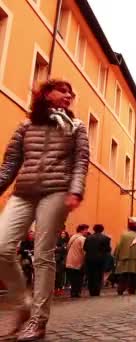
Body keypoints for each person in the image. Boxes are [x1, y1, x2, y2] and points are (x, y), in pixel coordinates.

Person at [0, 79, 89, 341]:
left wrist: (76, 190)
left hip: (57, 191)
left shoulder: (76, 127)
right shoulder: (26, 126)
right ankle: (22, 305)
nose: (68, 95)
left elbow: (81, 161)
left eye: (71, 93)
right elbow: (9, 165)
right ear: (46, 94)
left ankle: (38, 320)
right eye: (63, 90)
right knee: (2, 247)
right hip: (24, 192)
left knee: (43, 254)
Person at [113, 222, 136, 295]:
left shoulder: (124, 235)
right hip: (134, 259)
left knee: (123, 275)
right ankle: (132, 290)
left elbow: (119, 246)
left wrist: (116, 256)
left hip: (124, 258)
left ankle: (120, 290)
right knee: (133, 275)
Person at [83, 224, 111, 296]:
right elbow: (108, 249)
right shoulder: (106, 238)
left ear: (94, 229)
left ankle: (91, 290)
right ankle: (97, 291)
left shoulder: (88, 238)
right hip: (100, 259)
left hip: (89, 259)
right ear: (102, 230)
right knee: (98, 275)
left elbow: (85, 248)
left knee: (90, 275)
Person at [65, 224, 88, 298]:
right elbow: (84, 250)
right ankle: (77, 293)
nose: (87, 231)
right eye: (86, 230)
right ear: (81, 230)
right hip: (78, 261)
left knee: (73, 279)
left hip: (69, 261)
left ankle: (73, 292)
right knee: (78, 278)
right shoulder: (82, 239)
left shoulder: (73, 237)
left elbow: (68, 247)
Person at [54, 229, 69, 296]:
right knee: (57, 275)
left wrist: (59, 248)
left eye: (64, 233)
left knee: (62, 275)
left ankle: (61, 288)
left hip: (64, 260)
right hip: (58, 260)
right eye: (62, 233)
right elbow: (55, 249)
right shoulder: (57, 241)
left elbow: (66, 249)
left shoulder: (67, 241)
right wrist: (62, 248)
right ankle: (56, 288)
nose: (63, 235)